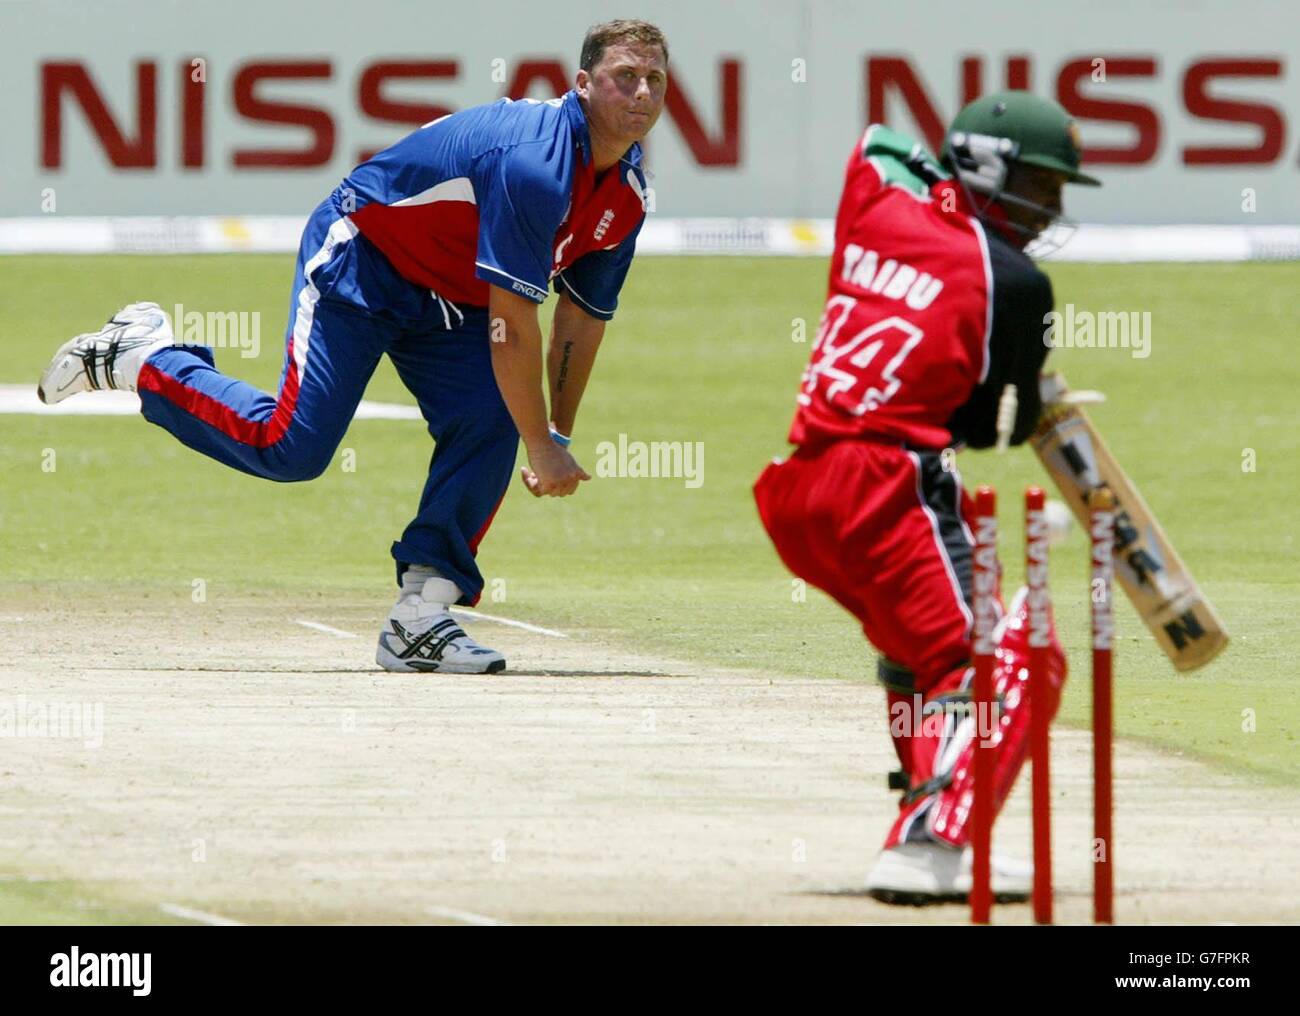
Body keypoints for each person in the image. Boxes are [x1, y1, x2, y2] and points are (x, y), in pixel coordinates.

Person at [37, 20, 669, 675]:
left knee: (489, 423)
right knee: (291, 449)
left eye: (655, 79)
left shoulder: (625, 192)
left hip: (452, 293)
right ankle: (141, 359)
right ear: (584, 84)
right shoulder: (535, 164)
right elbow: (512, 326)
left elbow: (580, 321)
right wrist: (539, 444)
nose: (642, 93)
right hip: (364, 258)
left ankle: (422, 615)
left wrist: (556, 433)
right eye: (626, 77)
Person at [753, 91, 1101, 903]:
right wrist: (1039, 391)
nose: (1049, 211)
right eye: (1043, 187)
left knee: (920, 652)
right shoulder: (1014, 282)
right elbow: (990, 430)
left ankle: (930, 810)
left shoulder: (878, 198)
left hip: (799, 489)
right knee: (1009, 660)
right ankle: (932, 839)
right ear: (991, 168)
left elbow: (879, 138)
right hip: (887, 484)